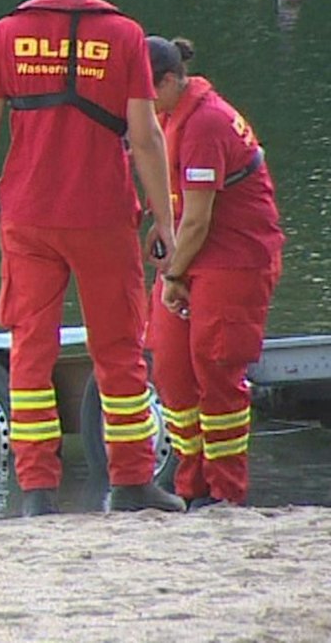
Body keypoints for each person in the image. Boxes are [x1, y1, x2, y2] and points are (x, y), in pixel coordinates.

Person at [0, 0, 181, 517]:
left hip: (28, 217)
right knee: (119, 349)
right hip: (104, 216)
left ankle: (36, 493)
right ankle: (132, 482)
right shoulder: (126, 36)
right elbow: (146, 137)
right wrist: (165, 220)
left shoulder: (5, 34)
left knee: (30, 353)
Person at [143, 36, 284, 507]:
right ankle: (192, 484)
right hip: (193, 252)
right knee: (171, 368)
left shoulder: (205, 123)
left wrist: (172, 277)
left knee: (217, 367)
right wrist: (162, 232)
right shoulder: (170, 115)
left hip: (234, 257)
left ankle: (225, 493)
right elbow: (179, 203)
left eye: (144, 89)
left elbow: (200, 219)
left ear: (168, 81)